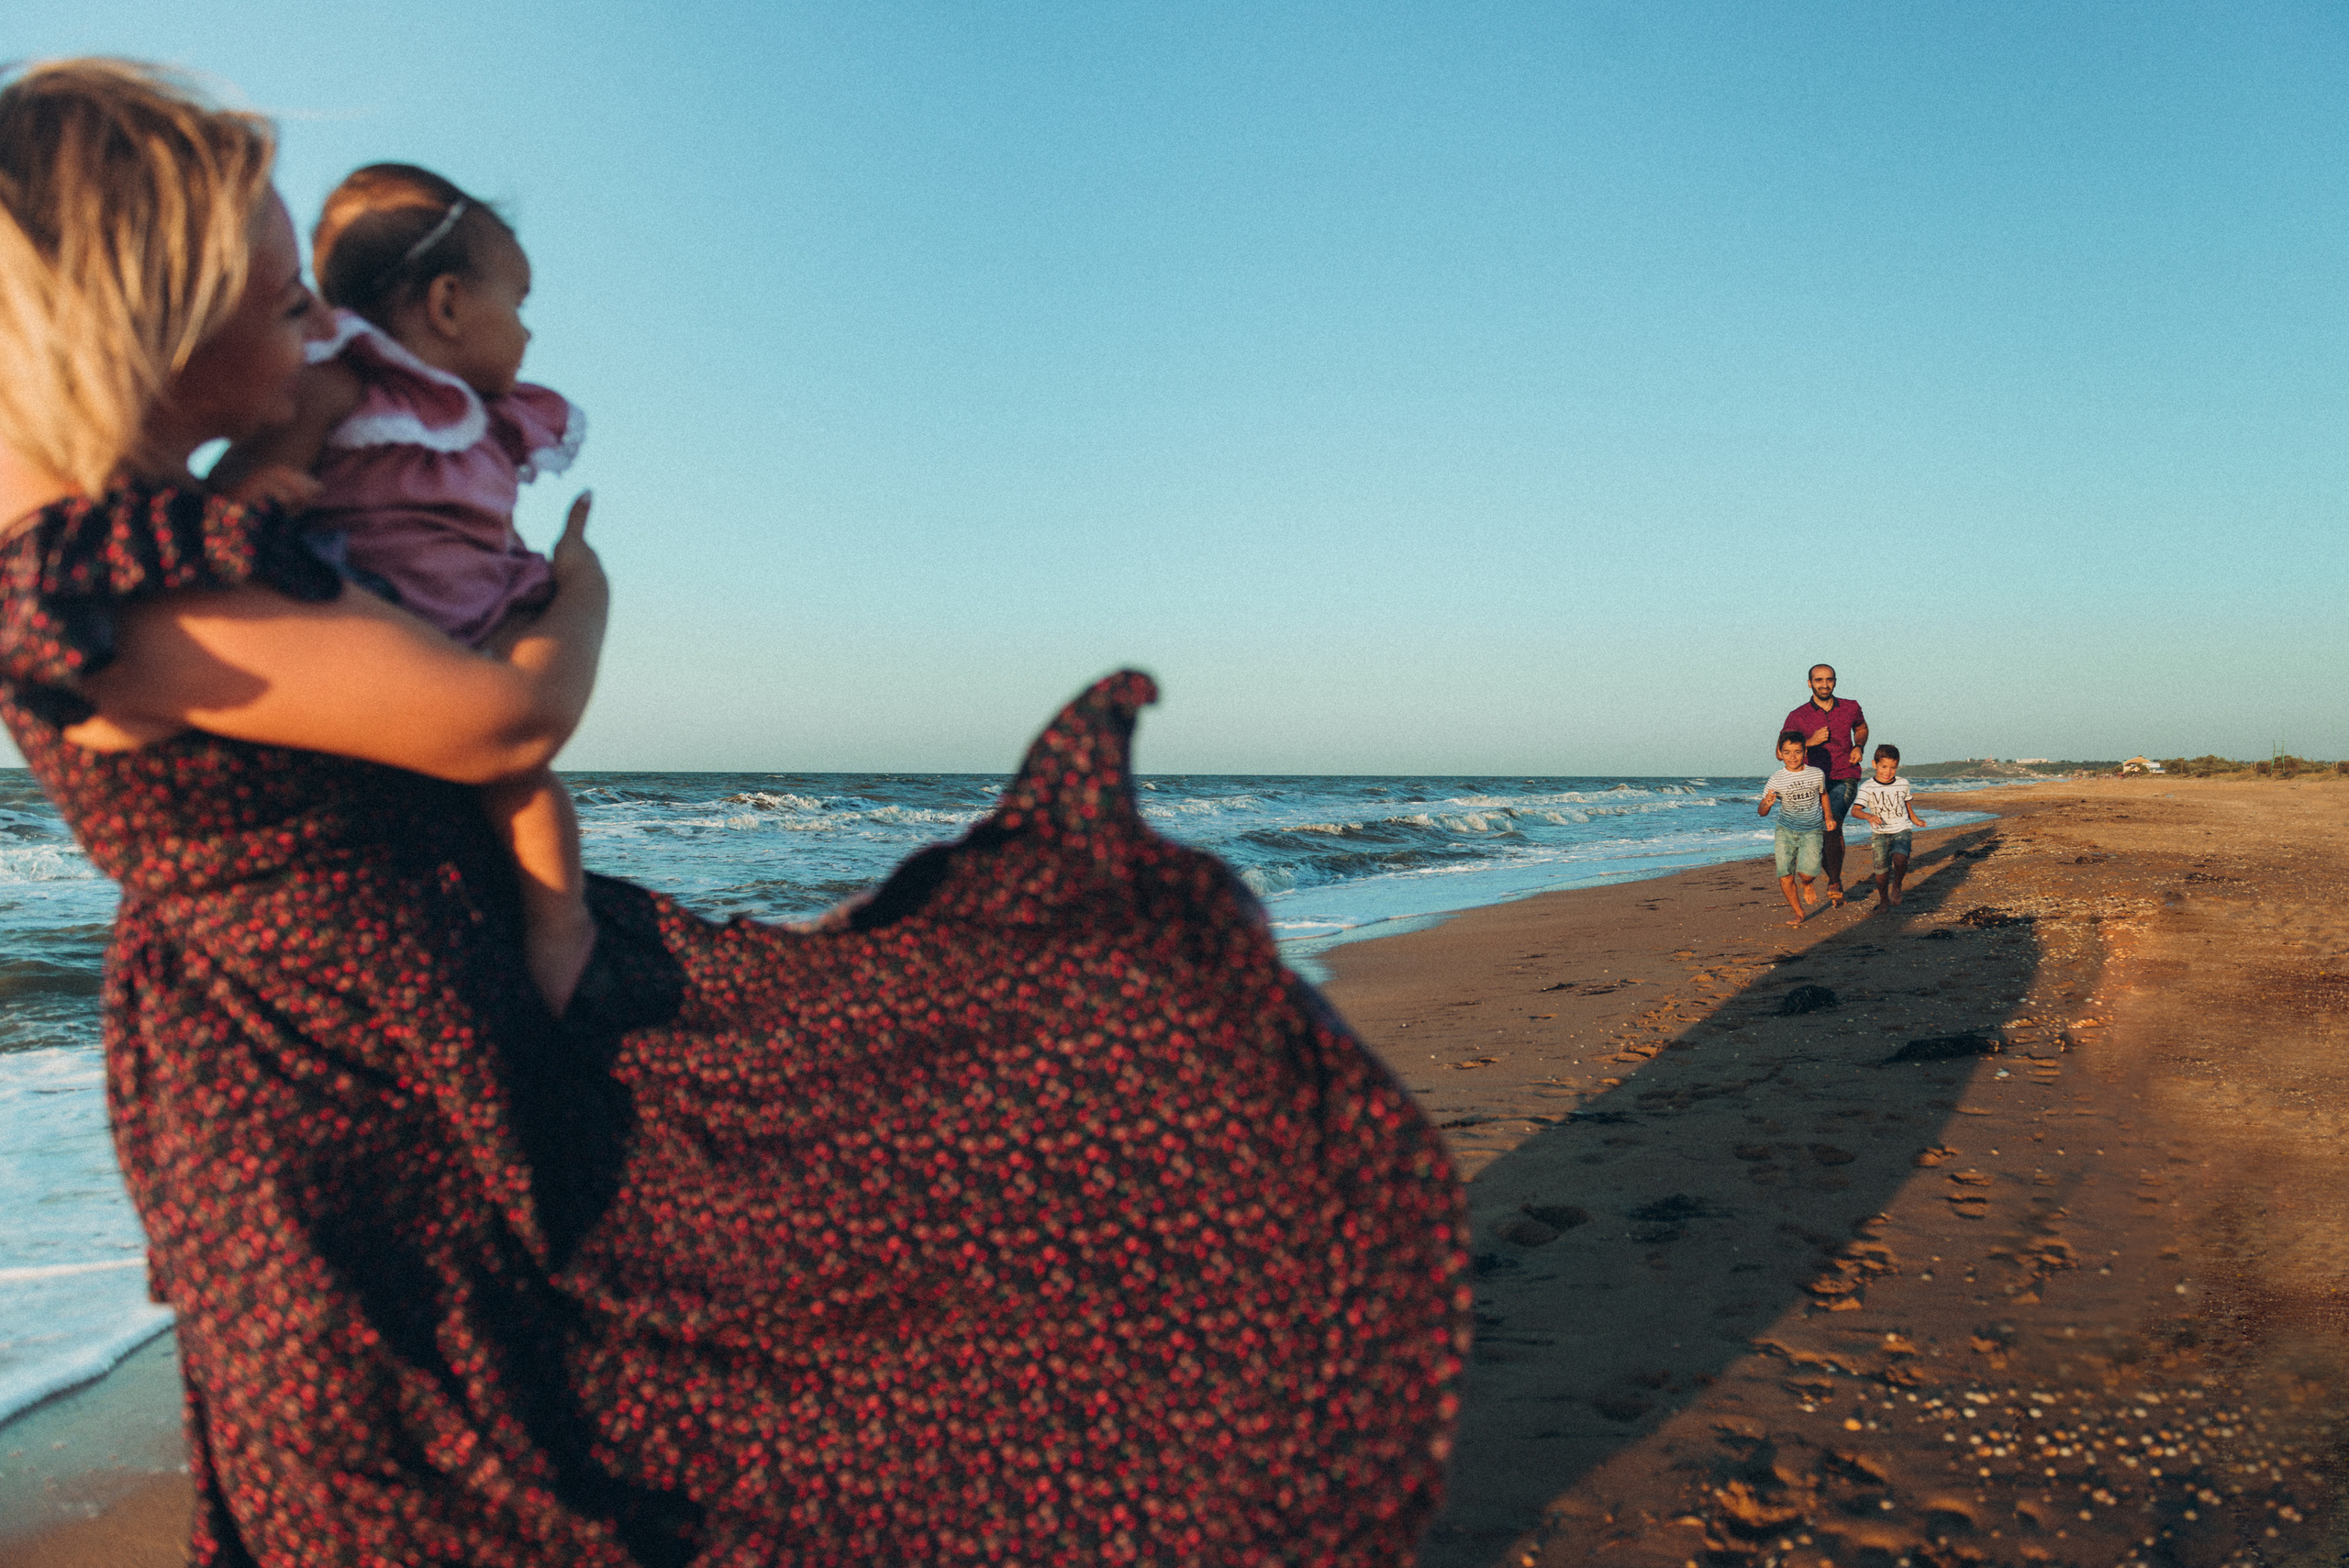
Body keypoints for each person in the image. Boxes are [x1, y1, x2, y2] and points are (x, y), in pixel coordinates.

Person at [0, 59, 1464, 1567]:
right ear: (146, 315)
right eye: (286, 299)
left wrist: (278, 464)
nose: (328, 326)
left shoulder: (155, 533)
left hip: (400, 999)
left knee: (583, 1338)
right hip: (317, 1068)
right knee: (386, 1435)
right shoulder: (101, 578)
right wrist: (582, 600)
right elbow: (498, 716)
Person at [208, 161, 592, 1014]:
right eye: (519, 303)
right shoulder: (344, 385)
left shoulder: (497, 421)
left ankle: (561, 926)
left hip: (478, 611)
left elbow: (475, 529)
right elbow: (223, 494)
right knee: (500, 768)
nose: (528, 332)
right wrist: (247, 500)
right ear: (449, 304)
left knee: (525, 786)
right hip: (370, 621)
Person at [1781, 663, 1867, 905]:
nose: (1824, 684)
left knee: (1833, 822)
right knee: (1817, 830)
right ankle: (1832, 876)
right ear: (1809, 683)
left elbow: (1861, 727)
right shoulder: (1797, 716)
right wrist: (1809, 741)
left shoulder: (1851, 707)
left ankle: (1835, 881)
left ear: (1835, 681)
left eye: (1829, 679)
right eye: (1818, 680)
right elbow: (1781, 752)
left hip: (1844, 775)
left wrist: (1859, 746)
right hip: (1810, 781)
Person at [1758, 729, 1834, 926]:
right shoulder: (1776, 779)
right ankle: (1799, 912)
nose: (1792, 757)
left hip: (1812, 830)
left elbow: (1823, 795)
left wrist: (1828, 817)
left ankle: (1807, 883)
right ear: (1780, 754)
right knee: (1784, 874)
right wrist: (1767, 803)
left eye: (1797, 752)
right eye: (1787, 752)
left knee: (1807, 873)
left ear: (1805, 752)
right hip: (1785, 830)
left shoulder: (1816, 774)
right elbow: (1761, 811)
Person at [1852, 743, 1928, 910]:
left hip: (1901, 828)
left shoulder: (1903, 783)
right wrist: (1869, 816)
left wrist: (1915, 819)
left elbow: (1906, 804)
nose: (1888, 772)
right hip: (1879, 834)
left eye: (1893, 768)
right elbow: (1855, 811)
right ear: (1874, 765)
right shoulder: (1867, 787)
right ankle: (1883, 900)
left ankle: (1897, 885)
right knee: (1881, 872)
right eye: (1884, 767)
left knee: (1901, 859)